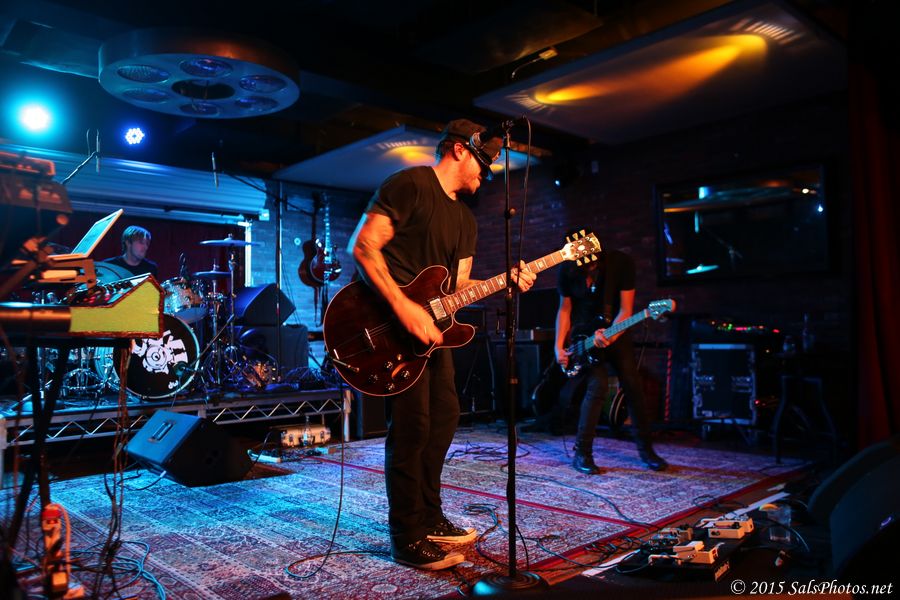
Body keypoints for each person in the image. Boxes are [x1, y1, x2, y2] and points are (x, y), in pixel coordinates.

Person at [347, 119, 536, 570]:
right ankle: (406, 537)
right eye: (483, 162)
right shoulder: (410, 184)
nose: (486, 173)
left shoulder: (465, 220)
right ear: (458, 150)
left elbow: (458, 287)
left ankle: (430, 516)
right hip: (390, 328)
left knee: (444, 418)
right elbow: (364, 247)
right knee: (411, 428)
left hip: (433, 336)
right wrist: (404, 308)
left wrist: (504, 282)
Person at [554, 244, 668, 474]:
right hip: (584, 337)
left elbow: (626, 310)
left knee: (633, 386)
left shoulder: (620, 264)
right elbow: (564, 310)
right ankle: (582, 454)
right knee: (598, 386)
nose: (588, 271)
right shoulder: (566, 269)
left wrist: (610, 335)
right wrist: (558, 346)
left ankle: (647, 451)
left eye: (591, 266)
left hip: (615, 330)